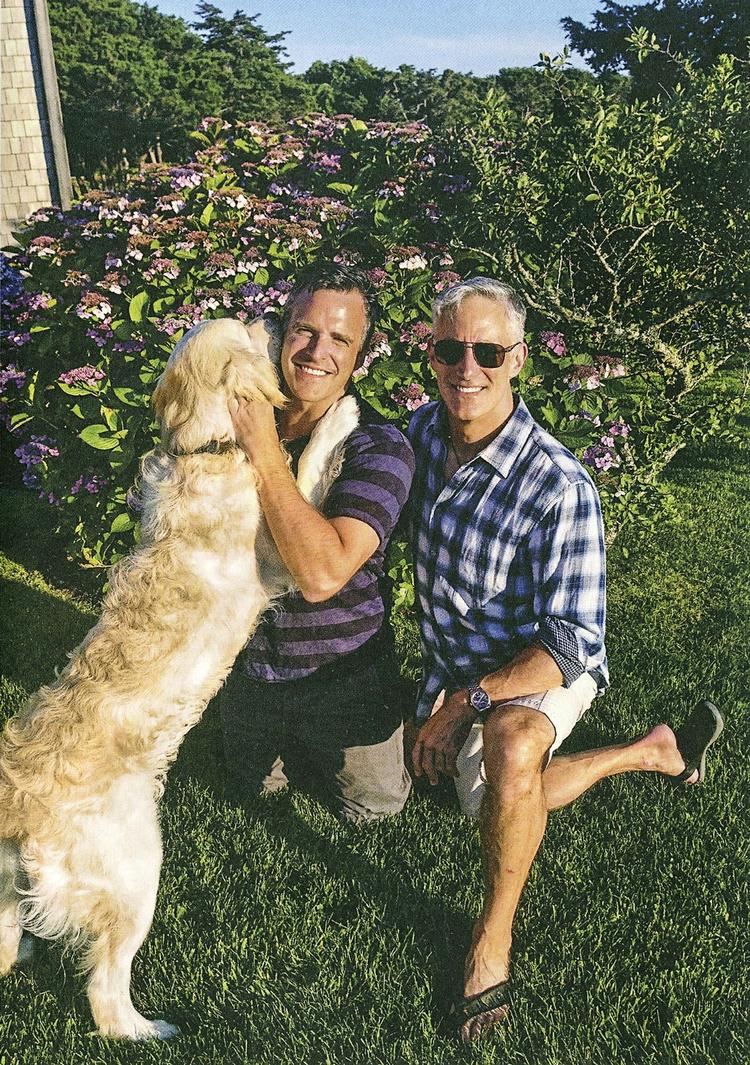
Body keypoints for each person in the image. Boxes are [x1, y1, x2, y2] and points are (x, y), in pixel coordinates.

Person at [407, 276, 725, 1042]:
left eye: (488, 351)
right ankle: (653, 751)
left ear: (518, 359)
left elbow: (571, 642)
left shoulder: (557, 485)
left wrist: (463, 705)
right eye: (451, 349)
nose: (468, 368)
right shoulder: (417, 436)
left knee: (515, 751)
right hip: (454, 666)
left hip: (540, 665)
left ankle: (491, 943)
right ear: (430, 354)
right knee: (485, 804)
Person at [221, 262, 415, 823]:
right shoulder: (234, 415)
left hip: (341, 675)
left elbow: (323, 575)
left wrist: (261, 446)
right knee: (248, 791)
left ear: (359, 357)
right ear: (283, 333)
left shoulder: (379, 447)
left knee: (373, 809)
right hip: (254, 665)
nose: (316, 352)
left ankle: (383, 725)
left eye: (339, 339)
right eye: (304, 330)